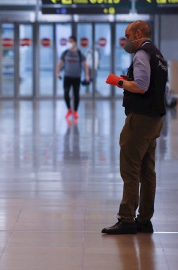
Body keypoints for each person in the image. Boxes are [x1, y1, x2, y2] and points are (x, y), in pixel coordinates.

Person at [102, 20, 167, 234]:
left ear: (138, 33)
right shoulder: (158, 55)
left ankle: (127, 219)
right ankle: (144, 219)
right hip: (155, 119)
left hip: (139, 120)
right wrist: (127, 79)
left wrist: (118, 82)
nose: (127, 41)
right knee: (148, 171)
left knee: (130, 169)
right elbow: (156, 86)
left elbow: (141, 86)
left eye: (128, 36)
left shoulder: (141, 54)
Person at [56, 36, 90, 119]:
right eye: (68, 41)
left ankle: (75, 111)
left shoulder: (79, 53)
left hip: (76, 77)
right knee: (66, 93)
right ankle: (69, 109)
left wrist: (87, 75)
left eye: (70, 41)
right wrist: (57, 73)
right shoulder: (65, 53)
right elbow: (60, 63)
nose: (68, 43)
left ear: (75, 43)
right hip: (67, 77)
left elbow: (85, 65)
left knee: (76, 94)